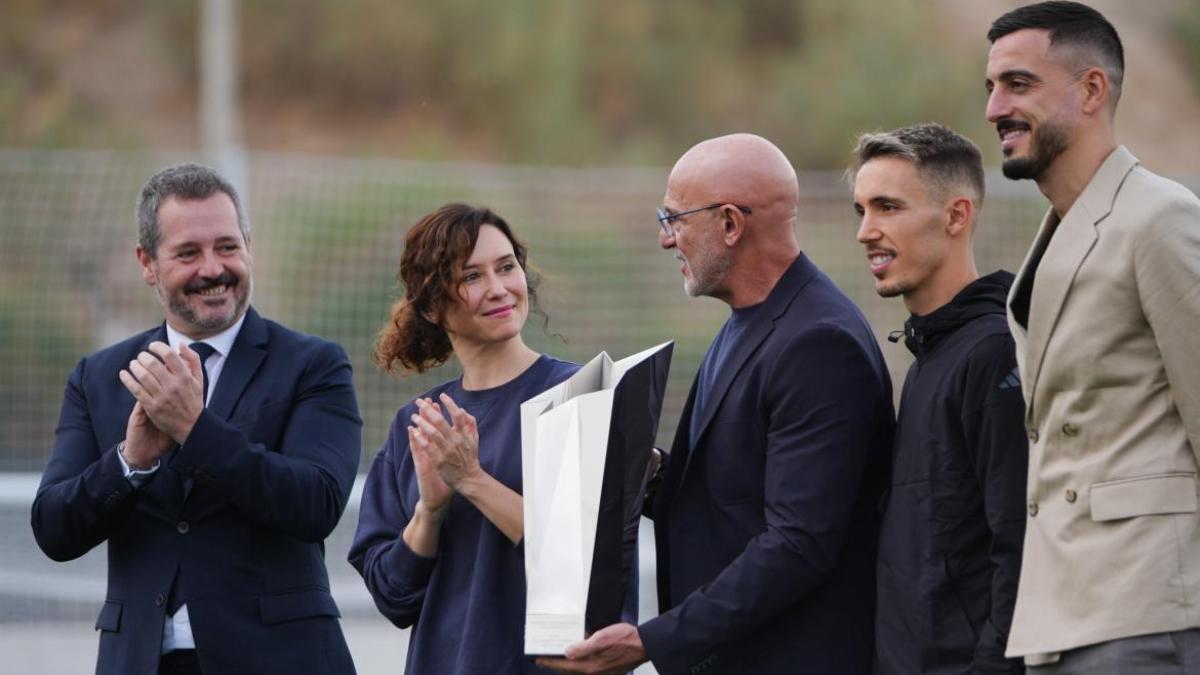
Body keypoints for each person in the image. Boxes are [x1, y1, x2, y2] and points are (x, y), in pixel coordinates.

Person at [539, 133, 895, 675]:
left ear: (730, 224)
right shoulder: (748, 320)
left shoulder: (820, 343)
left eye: (674, 219)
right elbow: (728, 494)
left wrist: (650, 641)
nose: (666, 240)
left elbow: (797, 546)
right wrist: (629, 460)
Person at [30, 163, 361, 675]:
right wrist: (130, 462)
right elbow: (54, 529)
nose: (213, 268)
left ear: (248, 246)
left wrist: (195, 430)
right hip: (139, 659)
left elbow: (316, 503)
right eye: (188, 253)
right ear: (148, 263)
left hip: (279, 658)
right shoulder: (99, 377)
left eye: (227, 246)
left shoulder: (313, 364)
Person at [985, 2, 1200, 670]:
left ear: (1091, 90)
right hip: (1063, 613)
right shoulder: (1055, 236)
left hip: (1144, 608)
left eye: (1018, 84)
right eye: (990, 88)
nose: (995, 108)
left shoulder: (1159, 218)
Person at [348, 203, 583, 675]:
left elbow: (582, 561)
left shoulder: (578, 395)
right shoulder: (416, 425)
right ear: (433, 306)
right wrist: (429, 511)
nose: (498, 289)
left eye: (506, 267)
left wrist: (472, 480)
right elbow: (394, 598)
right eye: (471, 277)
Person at [851, 122, 1027, 674]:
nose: (866, 231)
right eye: (862, 210)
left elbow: (1019, 548)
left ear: (956, 215)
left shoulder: (995, 351)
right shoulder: (933, 352)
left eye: (887, 207)